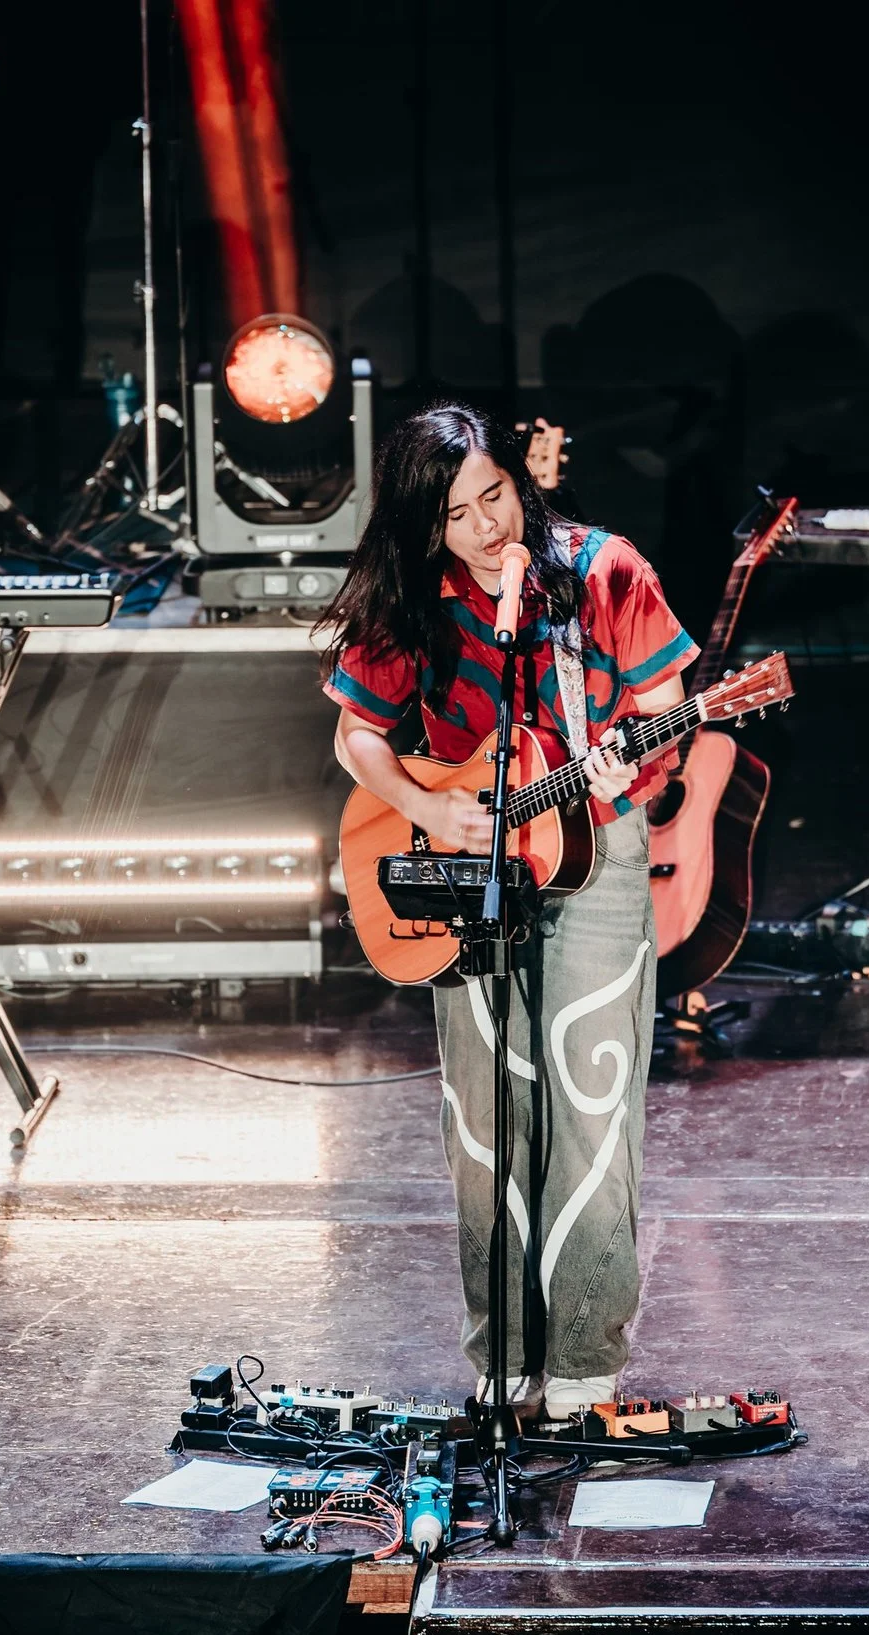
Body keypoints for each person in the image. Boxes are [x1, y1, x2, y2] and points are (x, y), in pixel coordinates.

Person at [323, 404, 695, 1419]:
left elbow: (670, 707)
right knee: (485, 1117)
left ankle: (582, 1361)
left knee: (590, 1100)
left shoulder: (603, 570)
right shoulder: (418, 596)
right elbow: (359, 732)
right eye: (457, 513)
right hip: (462, 863)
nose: (488, 524)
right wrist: (425, 801)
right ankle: (500, 1358)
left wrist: (628, 766)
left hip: (593, 849)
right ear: (423, 529)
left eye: (495, 494)